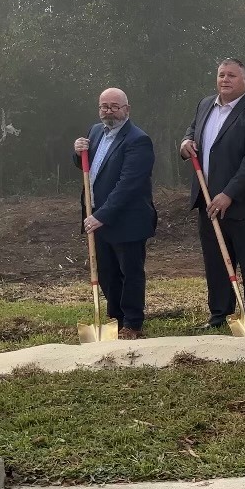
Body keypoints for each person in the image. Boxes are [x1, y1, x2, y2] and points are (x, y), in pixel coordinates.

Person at [180, 58, 245, 331]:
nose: (225, 80)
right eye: (221, 75)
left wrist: (229, 194)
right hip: (209, 201)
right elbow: (193, 131)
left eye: (232, 76)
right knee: (216, 262)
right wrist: (185, 142)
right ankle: (219, 316)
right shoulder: (205, 105)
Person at [72, 88, 157, 340]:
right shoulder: (95, 131)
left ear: (126, 109)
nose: (108, 111)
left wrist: (103, 215)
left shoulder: (138, 140)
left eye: (114, 106)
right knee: (107, 272)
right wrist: (78, 153)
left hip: (127, 218)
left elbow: (129, 184)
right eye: (104, 106)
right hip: (97, 215)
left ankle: (132, 322)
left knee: (129, 272)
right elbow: (87, 166)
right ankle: (114, 318)